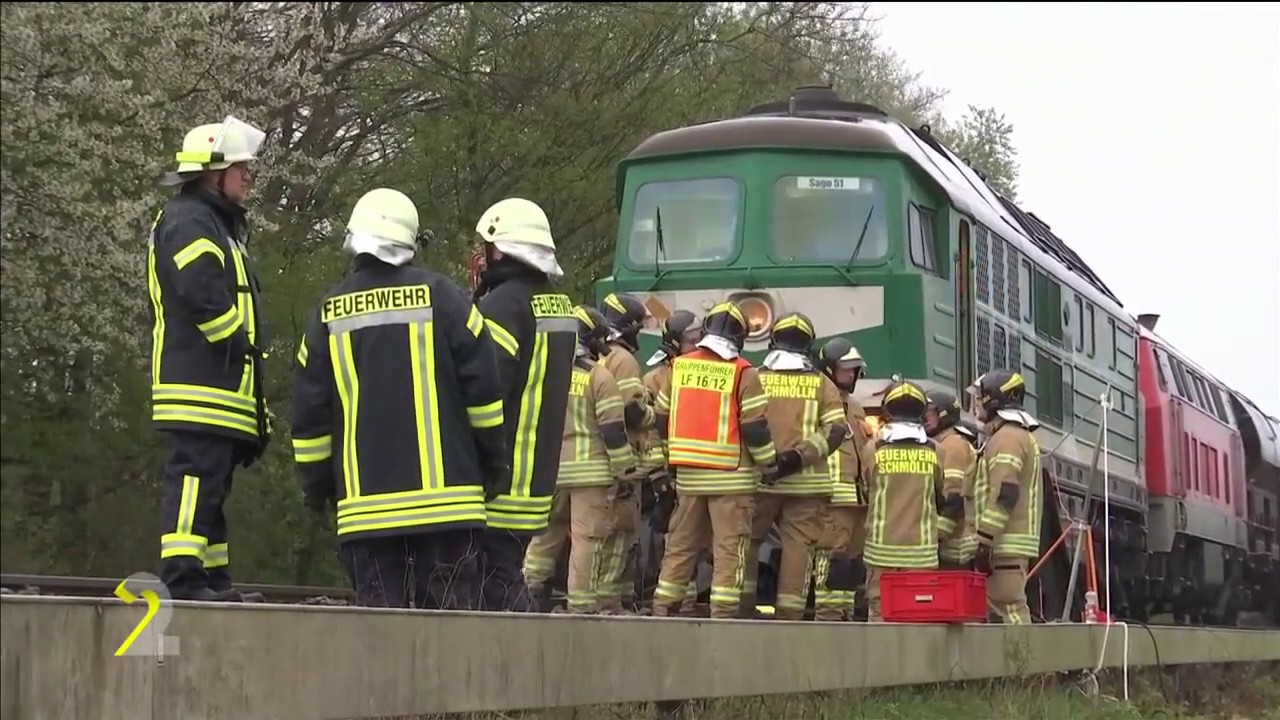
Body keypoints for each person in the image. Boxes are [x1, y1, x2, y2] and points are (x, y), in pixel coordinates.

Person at [291, 188, 507, 608]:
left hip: (365, 513)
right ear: (412, 241)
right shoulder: (448, 300)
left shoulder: (327, 314)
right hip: (448, 509)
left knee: (380, 633)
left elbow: (309, 417)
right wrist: (493, 464)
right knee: (446, 631)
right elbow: (484, 393)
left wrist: (318, 488)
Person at [147, 116, 270, 601]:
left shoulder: (215, 223)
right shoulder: (189, 220)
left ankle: (213, 581)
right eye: (240, 169)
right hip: (200, 384)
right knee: (196, 479)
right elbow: (201, 293)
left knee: (212, 488)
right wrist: (235, 345)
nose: (247, 178)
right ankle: (182, 580)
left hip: (219, 388)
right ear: (213, 174)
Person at [471, 197, 577, 611]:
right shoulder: (559, 304)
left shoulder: (503, 306)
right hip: (537, 479)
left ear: (500, 249)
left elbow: (486, 388)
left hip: (502, 479)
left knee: (494, 585)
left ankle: (525, 649)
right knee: (505, 573)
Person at [650, 302, 779, 619]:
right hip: (732, 480)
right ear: (740, 337)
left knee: (680, 545)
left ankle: (663, 608)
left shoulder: (679, 367)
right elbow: (755, 428)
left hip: (689, 478)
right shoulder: (744, 372)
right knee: (728, 550)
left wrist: (669, 457)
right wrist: (769, 465)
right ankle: (722, 614)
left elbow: (661, 417)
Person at [521, 305, 637, 613]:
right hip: (590, 476)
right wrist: (625, 472)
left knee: (545, 536)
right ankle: (581, 608)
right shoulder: (599, 377)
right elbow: (613, 431)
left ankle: (528, 593)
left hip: (551, 472)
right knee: (587, 541)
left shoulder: (545, 374)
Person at [741, 313, 846, 620]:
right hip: (806, 486)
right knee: (799, 547)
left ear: (772, 341)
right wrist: (797, 458)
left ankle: (742, 609)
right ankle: (790, 616)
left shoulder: (754, 377)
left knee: (747, 542)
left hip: (759, 480)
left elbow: (744, 424)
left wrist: (768, 461)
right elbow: (835, 431)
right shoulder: (822, 384)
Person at [862, 380, 946, 621]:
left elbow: (867, 488)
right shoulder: (935, 451)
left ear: (888, 411)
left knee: (880, 613)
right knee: (917, 615)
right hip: (921, 555)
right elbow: (940, 492)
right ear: (922, 412)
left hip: (880, 552)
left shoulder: (874, 449)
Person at [595, 291, 656, 612]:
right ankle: (609, 603)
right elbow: (632, 411)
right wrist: (653, 414)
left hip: (595, 457)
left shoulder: (595, 356)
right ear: (629, 326)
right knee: (620, 535)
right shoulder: (624, 360)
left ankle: (610, 598)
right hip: (622, 459)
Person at [967, 370, 1043, 625]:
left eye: (980, 398)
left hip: (1004, 544)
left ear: (995, 400)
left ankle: (1023, 651)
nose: (976, 404)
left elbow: (1005, 494)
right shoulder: (1009, 436)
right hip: (1005, 543)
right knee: (1002, 608)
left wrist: (984, 540)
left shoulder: (1008, 438)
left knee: (1008, 606)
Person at [810, 338, 875, 621]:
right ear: (828, 369)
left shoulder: (856, 407)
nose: (851, 375)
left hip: (858, 499)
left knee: (851, 560)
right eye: (845, 369)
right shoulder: (817, 401)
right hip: (833, 496)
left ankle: (845, 612)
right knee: (830, 555)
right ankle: (828, 614)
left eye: (854, 370)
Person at [926, 390, 979, 570]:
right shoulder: (944, 443)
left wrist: (935, 536)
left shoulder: (952, 445)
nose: (924, 418)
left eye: (930, 412)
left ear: (944, 414)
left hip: (953, 549)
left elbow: (954, 497)